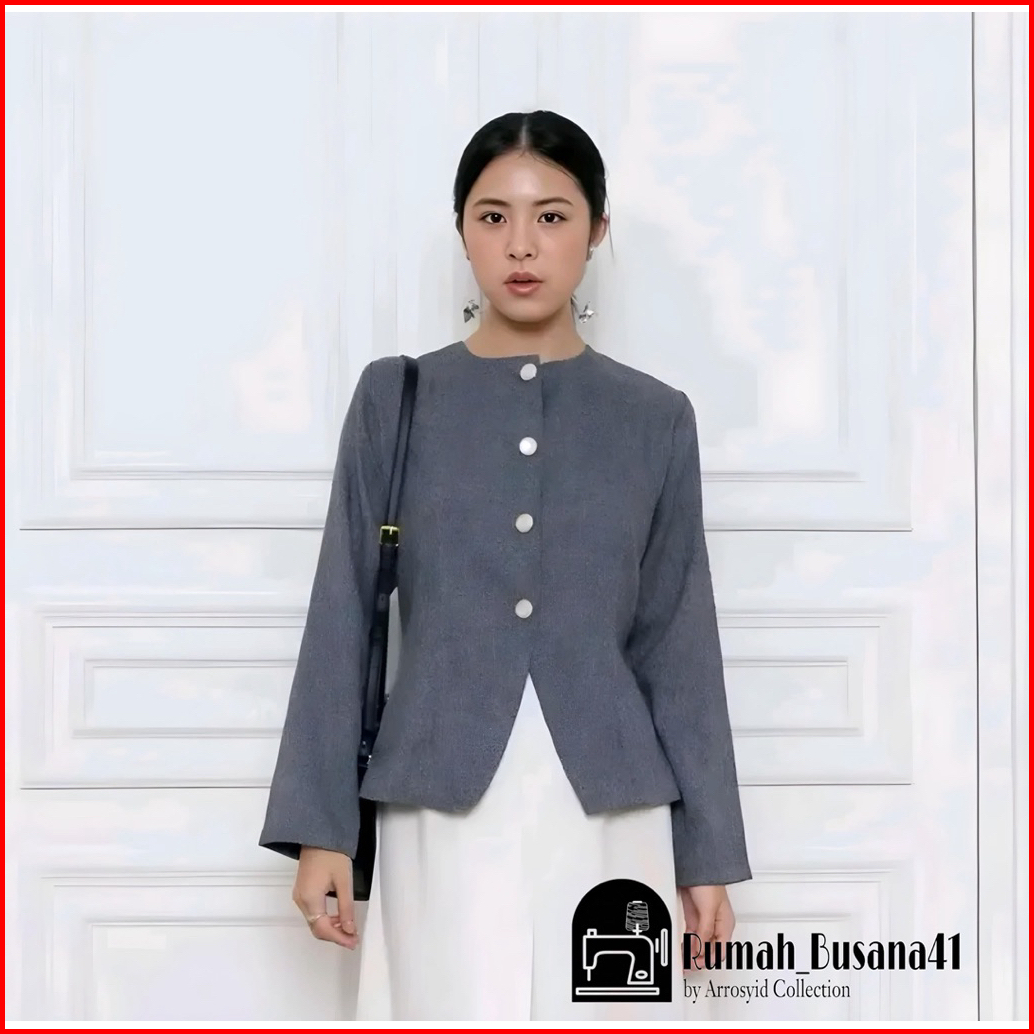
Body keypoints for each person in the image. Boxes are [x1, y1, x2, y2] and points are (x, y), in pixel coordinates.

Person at [259, 109, 751, 1022]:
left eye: (552, 216)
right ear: (462, 232)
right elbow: (342, 614)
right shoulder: (396, 397)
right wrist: (322, 830)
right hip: (436, 798)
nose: (521, 244)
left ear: (597, 230)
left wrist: (708, 853)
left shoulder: (654, 417)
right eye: (493, 217)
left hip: (612, 809)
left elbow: (678, 639)